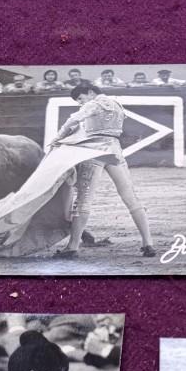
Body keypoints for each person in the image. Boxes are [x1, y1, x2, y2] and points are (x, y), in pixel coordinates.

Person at [49, 80, 156, 258]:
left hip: (94, 153)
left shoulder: (93, 104)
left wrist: (58, 138)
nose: (81, 103)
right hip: (115, 152)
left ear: (90, 92)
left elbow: (73, 119)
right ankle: (148, 244)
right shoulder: (117, 104)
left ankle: (72, 247)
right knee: (131, 197)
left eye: (81, 98)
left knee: (83, 201)